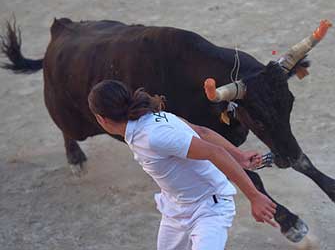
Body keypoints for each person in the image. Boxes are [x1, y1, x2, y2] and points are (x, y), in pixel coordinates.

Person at [87, 80, 277, 250]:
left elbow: (214, 152)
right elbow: (201, 132)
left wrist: (254, 197)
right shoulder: (152, 119)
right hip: (175, 210)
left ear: (101, 119)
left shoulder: (153, 137)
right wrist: (239, 155)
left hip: (210, 210)